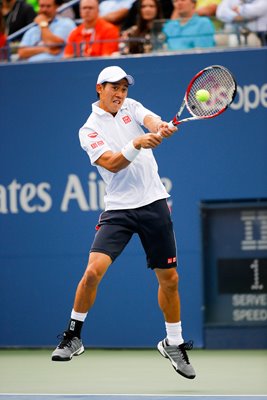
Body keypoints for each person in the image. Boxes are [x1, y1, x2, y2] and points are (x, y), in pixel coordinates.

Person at [51, 65, 196, 380]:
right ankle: (73, 335)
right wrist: (138, 144)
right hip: (118, 210)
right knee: (92, 272)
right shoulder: (88, 129)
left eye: (124, 88)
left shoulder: (132, 107)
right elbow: (113, 164)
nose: (120, 94)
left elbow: (151, 120)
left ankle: (173, 342)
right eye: (113, 88)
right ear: (99, 88)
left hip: (154, 202)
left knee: (170, 280)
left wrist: (160, 127)